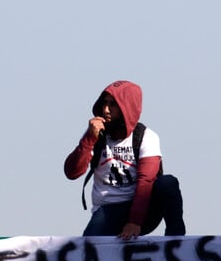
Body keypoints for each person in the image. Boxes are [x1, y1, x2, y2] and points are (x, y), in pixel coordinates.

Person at [64, 80, 186, 239]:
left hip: (143, 208)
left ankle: (176, 243)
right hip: (108, 210)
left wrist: (134, 222)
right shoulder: (96, 136)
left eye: (112, 105)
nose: (105, 110)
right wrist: (88, 139)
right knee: (89, 247)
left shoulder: (146, 137)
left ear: (126, 108)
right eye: (104, 103)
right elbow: (72, 172)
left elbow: (146, 182)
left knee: (168, 183)